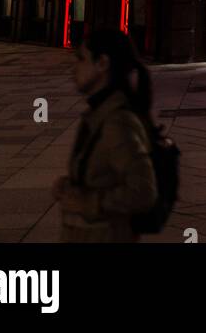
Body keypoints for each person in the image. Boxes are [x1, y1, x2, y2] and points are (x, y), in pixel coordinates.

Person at [54, 29, 158, 243]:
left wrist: (87, 203)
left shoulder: (117, 122)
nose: (74, 68)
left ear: (102, 63)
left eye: (81, 59)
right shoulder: (98, 115)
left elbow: (143, 192)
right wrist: (71, 185)